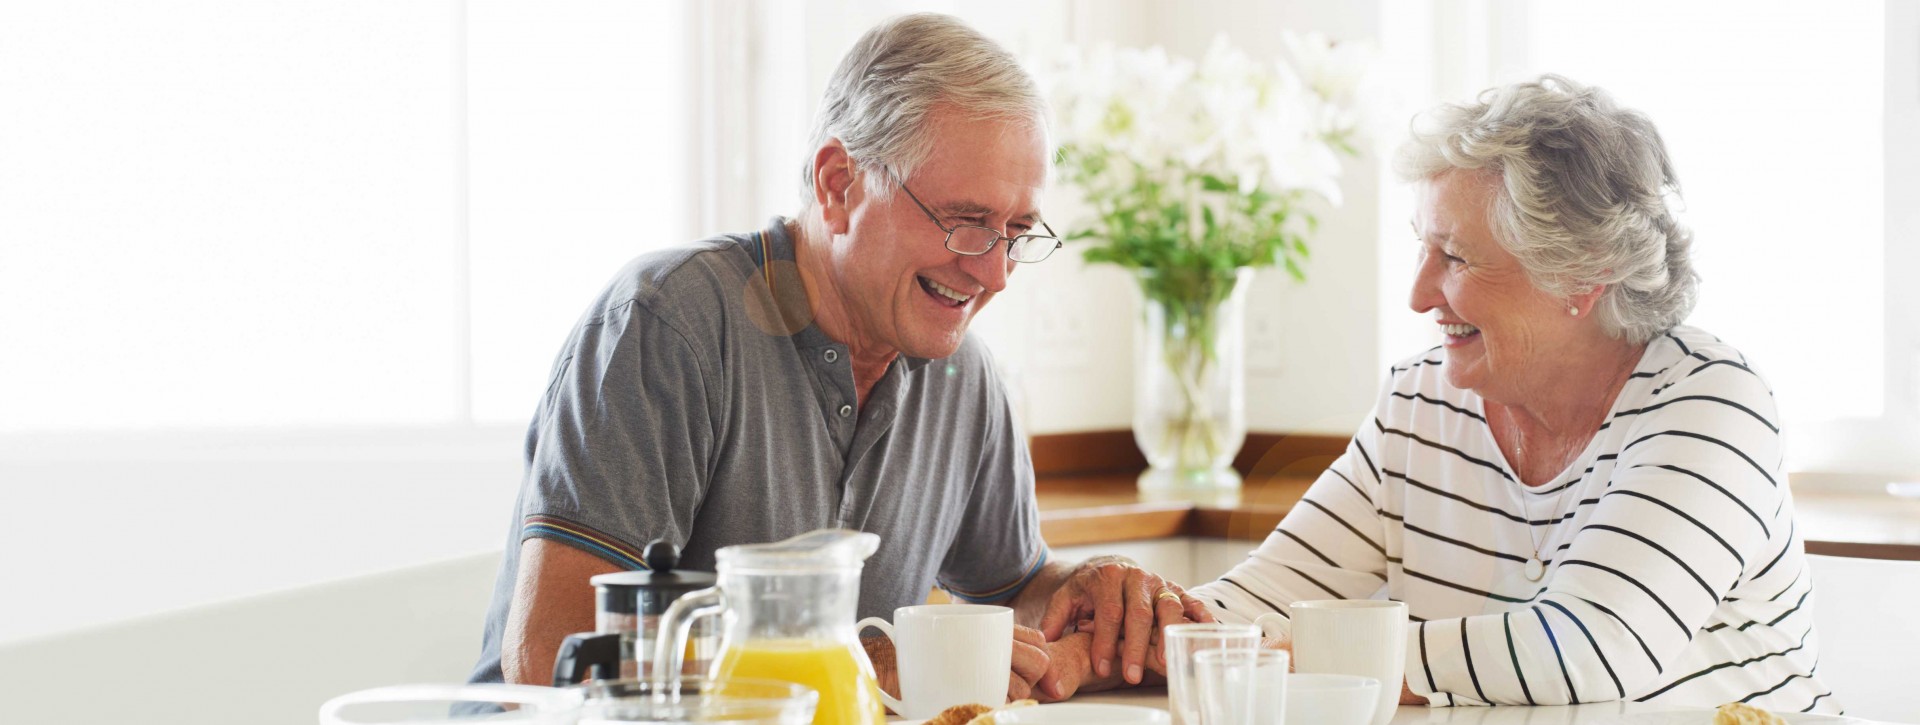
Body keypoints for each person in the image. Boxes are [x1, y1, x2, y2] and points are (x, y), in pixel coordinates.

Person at [464, 13, 1208, 705]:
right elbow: (556, 656)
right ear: (837, 184)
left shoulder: (964, 378)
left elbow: (1010, 587)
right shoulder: (668, 326)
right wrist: (858, 668)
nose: (996, 272)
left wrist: (1088, 588)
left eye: (1017, 230)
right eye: (965, 223)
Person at [1042, 75, 1839, 715]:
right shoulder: (1422, 402)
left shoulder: (1712, 407)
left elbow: (1592, 645)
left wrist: (1308, 659)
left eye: (1454, 256)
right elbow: (1264, 600)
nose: (1422, 293)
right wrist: (1120, 645)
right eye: (1422, 249)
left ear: (1581, 277)